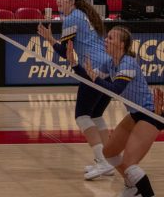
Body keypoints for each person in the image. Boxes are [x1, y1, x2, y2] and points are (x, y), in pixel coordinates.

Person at [68, 26, 163, 197]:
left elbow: (115, 89)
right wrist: (74, 64)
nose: (106, 40)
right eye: (107, 37)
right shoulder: (110, 63)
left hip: (150, 114)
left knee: (130, 164)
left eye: (110, 38)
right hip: (135, 113)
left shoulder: (128, 63)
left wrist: (95, 78)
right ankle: (131, 187)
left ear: (121, 44)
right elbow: (90, 79)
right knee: (109, 152)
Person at [37, 0, 114, 180]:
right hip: (109, 68)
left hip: (93, 69)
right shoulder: (82, 15)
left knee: (82, 116)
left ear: (72, 1)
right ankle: (109, 160)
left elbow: (66, 53)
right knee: (96, 114)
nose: (57, 0)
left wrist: (50, 40)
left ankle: (103, 162)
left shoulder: (72, 18)